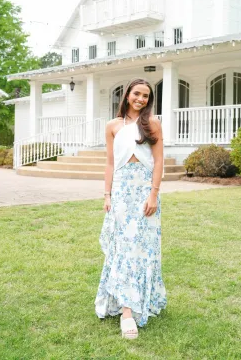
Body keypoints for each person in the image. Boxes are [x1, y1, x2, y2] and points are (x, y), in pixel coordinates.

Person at [95, 78, 167, 339]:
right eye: (137, 94)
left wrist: (154, 194)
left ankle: (140, 301)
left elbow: (158, 161)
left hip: (145, 191)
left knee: (142, 248)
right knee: (123, 247)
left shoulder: (152, 123)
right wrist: (107, 194)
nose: (141, 99)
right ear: (127, 95)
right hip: (122, 192)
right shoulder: (113, 126)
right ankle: (126, 310)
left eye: (146, 96)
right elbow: (110, 164)